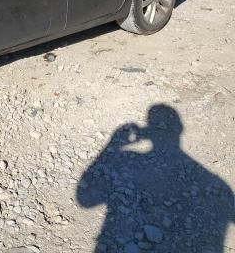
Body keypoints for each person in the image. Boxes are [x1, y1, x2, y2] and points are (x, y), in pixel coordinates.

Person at [78, 104, 234, 252]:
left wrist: (112, 146)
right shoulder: (218, 185)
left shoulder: (128, 158)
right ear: (180, 130)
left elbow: (85, 200)